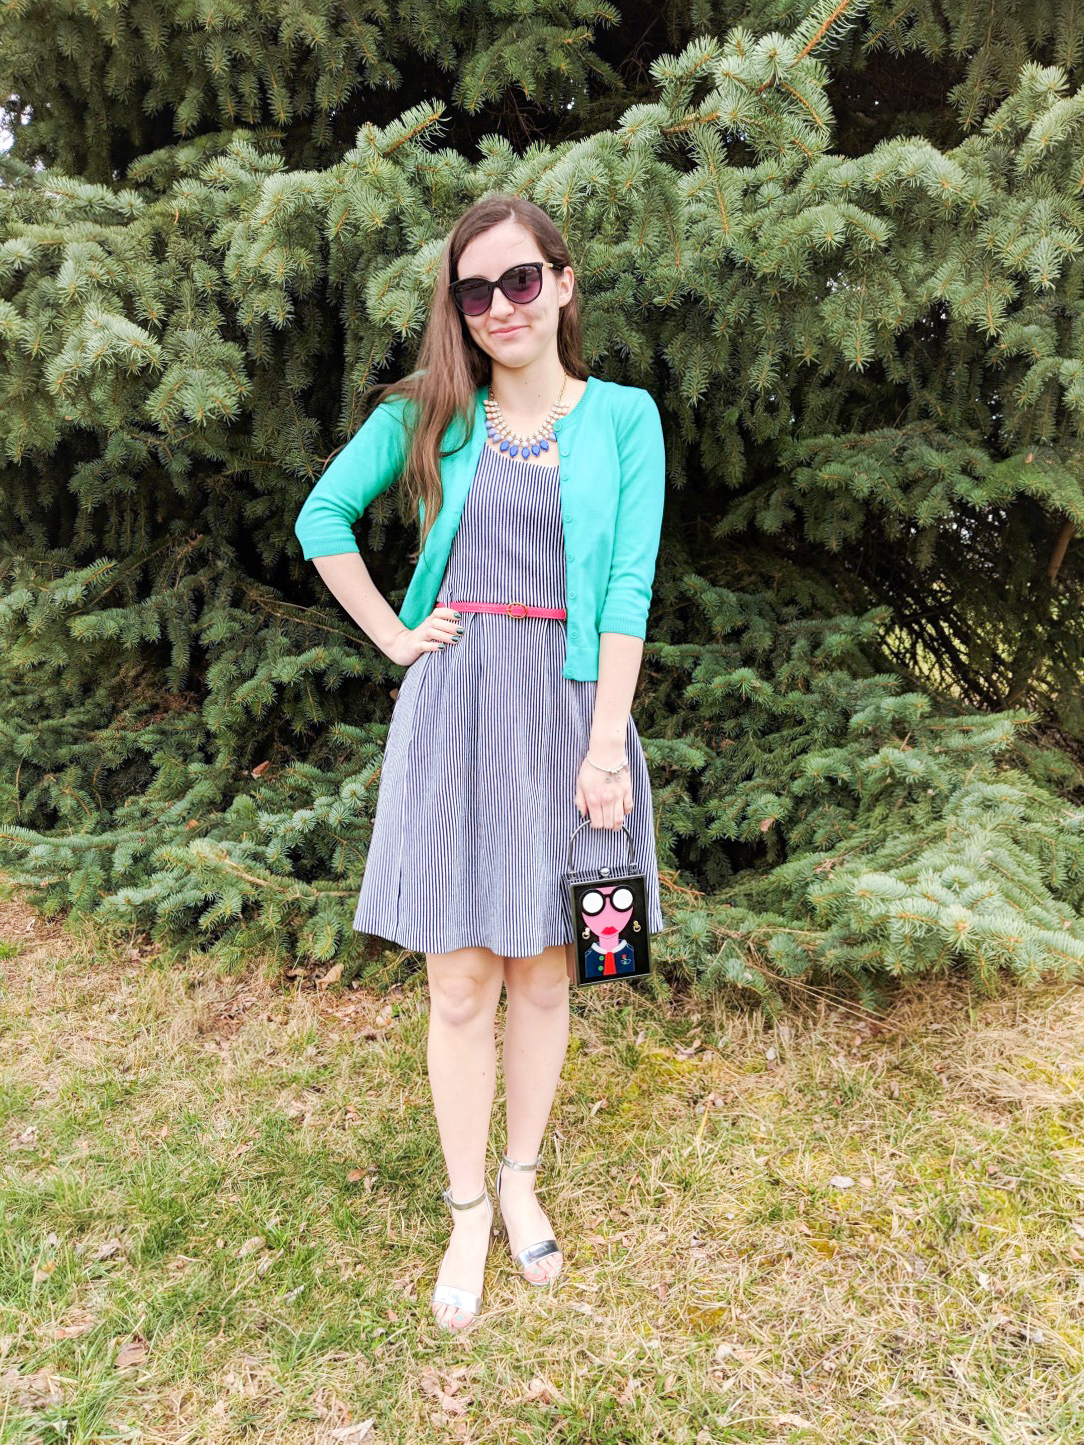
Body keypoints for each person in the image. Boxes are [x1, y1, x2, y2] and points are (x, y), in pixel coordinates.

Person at [293, 193, 667, 1331]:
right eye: (476, 290)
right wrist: (397, 636)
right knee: (459, 977)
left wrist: (606, 743)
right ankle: (464, 1205)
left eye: (520, 280)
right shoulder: (430, 413)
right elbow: (324, 517)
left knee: (552, 967)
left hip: (569, 717)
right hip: (455, 709)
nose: (501, 305)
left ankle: (520, 1176)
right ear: (457, 309)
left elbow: (626, 588)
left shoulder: (624, 419)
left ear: (562, 282)